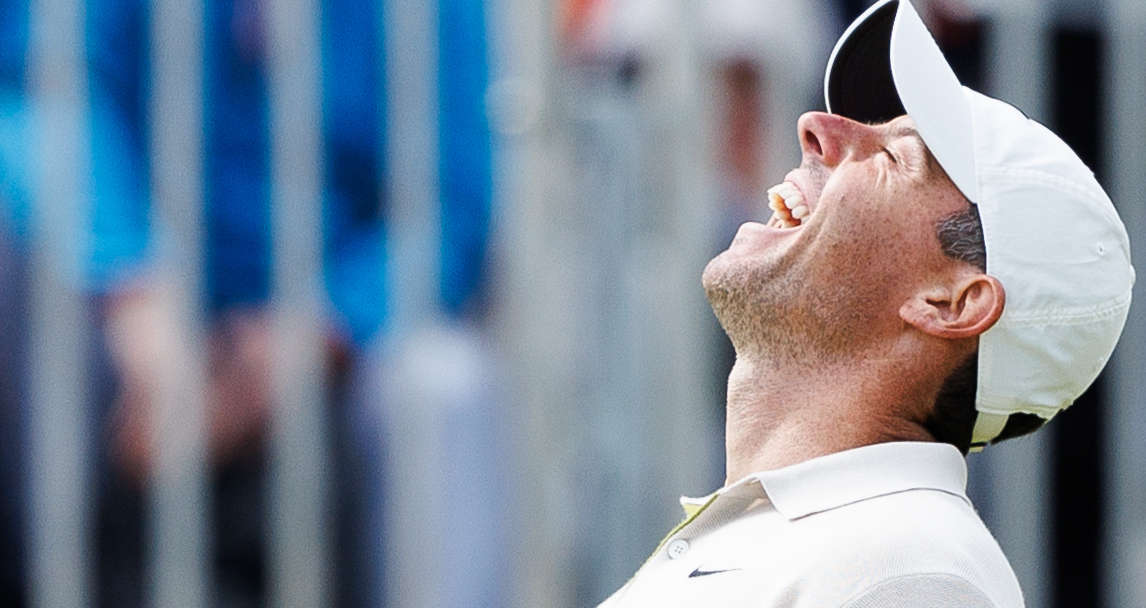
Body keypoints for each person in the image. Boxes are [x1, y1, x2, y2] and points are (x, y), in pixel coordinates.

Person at [598, 1, 1134, 606]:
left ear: (951, 302)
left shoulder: (907, 573)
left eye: (889, 157)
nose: (815, 128)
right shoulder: (861, 552)